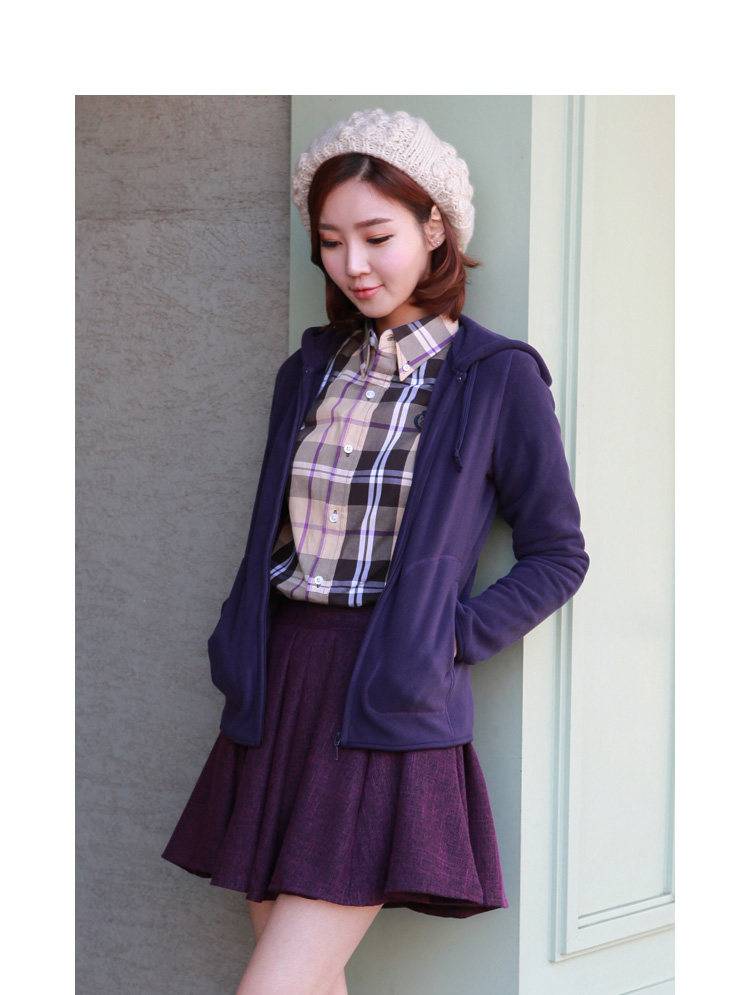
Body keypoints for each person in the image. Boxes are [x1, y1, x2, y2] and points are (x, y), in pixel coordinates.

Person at [162, 107, 589, 995]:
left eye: (377, 235)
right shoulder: (308, 371)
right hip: (279, 684)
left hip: (388, 692)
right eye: (330, 241)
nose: (352, 263)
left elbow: (558, 552)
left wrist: (450, 635)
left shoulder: (495, 377)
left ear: (434, 229)